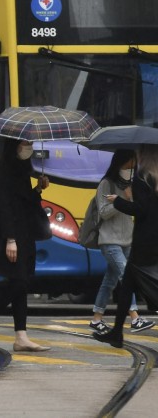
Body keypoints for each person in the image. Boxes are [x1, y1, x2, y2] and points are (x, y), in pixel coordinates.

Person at [0, 139, 51, 352]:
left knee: (22, 284)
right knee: (17, 282)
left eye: (31, 143)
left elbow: (25, 203)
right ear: (14, 145)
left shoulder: (22, 168)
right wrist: (10, 239)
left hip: (25, 233)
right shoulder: (3, 171)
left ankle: (21, 336)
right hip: (10, 234)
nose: (29, 147)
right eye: (26, 143)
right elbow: (4, 207)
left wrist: (38, 189)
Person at [96, 145, 158, 348]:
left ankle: (116, 333)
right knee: (128, 285)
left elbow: (140, 210)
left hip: (142, 240)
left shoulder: (141, 178)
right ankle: (116, 333)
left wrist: (118, 201)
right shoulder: (154, 178)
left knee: (137, 283)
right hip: (153, 239)